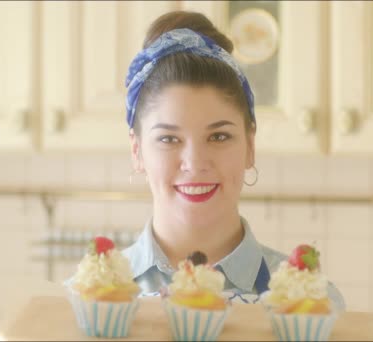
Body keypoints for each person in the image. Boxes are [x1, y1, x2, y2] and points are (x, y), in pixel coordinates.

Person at [122, 11, 345, 309]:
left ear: (250, 146)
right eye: (169, 139)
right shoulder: (85, 299)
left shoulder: (314, 302)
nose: (196, 163)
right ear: (137, 151)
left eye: (218, 137)